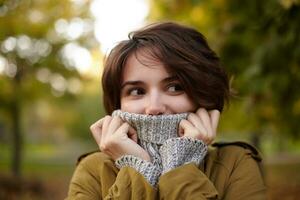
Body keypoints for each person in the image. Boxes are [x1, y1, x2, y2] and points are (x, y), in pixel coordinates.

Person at [66, 22, 266, 200]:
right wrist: (136, 168)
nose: (154, 107)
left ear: (203, 94)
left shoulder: (235, 163)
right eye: (137, 91)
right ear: (118, 104)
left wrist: (181, 167)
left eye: (174, 88)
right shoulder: (92, 170)